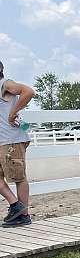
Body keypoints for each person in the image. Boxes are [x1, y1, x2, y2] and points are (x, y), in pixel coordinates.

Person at [0, 60, 35, 227]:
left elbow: (28, 91)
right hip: (4, 141)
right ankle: (16, 206)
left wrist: (13, 113)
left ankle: (23, 215)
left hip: (11, 140)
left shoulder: (5, 84)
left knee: (19, 178)